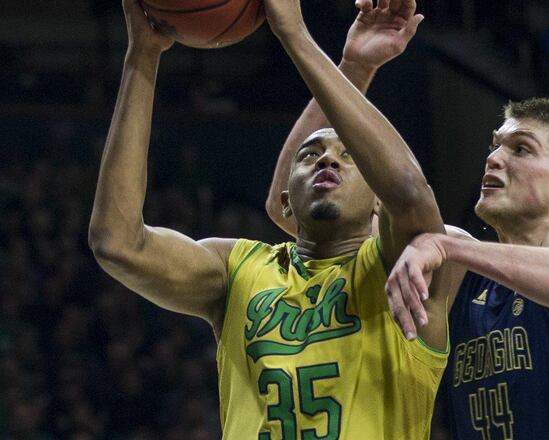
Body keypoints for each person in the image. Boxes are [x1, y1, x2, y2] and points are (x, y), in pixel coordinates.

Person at [88, 0, 451, 438]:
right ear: (285, 198)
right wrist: (141, 57)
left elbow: (408, 190)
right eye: (310, 155)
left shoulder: (406, 264)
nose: (327, 162)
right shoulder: (238, 272)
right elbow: (117, 243)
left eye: (347, 156)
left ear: (378, 203)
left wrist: (296, 37)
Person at [384, 98, 549, 438]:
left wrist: (448, 247)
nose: (493, 159)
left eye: (521, 149)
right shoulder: (465, 272)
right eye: (494, 147)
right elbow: (297, 215)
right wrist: (355, 68)